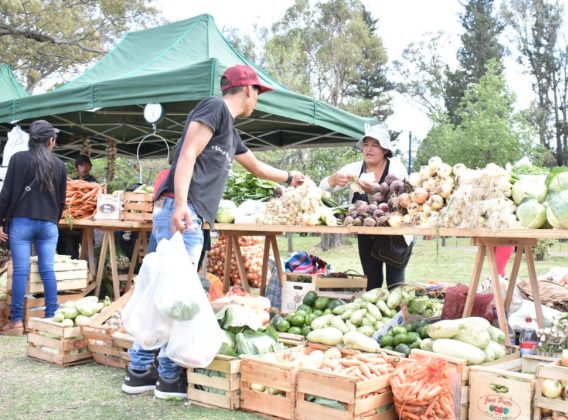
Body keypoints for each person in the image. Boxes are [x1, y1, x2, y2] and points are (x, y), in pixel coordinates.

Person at [123, 64, 305, 400]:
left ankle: (140, 371)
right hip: (184, 214)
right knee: (175, 298)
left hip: (188, 214)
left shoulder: (229, 131)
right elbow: (188, 154)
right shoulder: (215, 107)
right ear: (248, 89)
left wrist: (291, 178)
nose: (258, 101)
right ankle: (164, 375)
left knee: (165, 294)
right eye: (259, 93)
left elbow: (258, 167)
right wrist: (180, 205)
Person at [320, 125, 410, 290]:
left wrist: (375, 189)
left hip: (395, 235)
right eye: (366, 144)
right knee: (372, 283)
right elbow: (322, 188)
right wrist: (332, 180)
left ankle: (398, 315)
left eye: (374, 145)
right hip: (366, 234)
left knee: (395, 284)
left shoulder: (397, 168)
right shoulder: (354, 169)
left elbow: (406, 198)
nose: (368, 149)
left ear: (384, 150)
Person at [0, 120, 67, 335]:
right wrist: (52, 221)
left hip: (21, 222)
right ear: (50, 141)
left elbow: (6, 195)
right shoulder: (60, 165)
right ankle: (51, 318)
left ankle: (17, 321)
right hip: (48, 224)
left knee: (20, 271)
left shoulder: (18, 159)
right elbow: (61, 201)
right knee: (48, 270)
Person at [57, 154, 98, 259]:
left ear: (90, 167)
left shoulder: (94, 184)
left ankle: (91, 272)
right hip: (70, 222)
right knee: (69, 251)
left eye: (86, 165)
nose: (84, 168)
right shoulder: (71, 182)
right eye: (81, 165)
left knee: (89, 252)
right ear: (76, 168)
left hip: (86, 223)